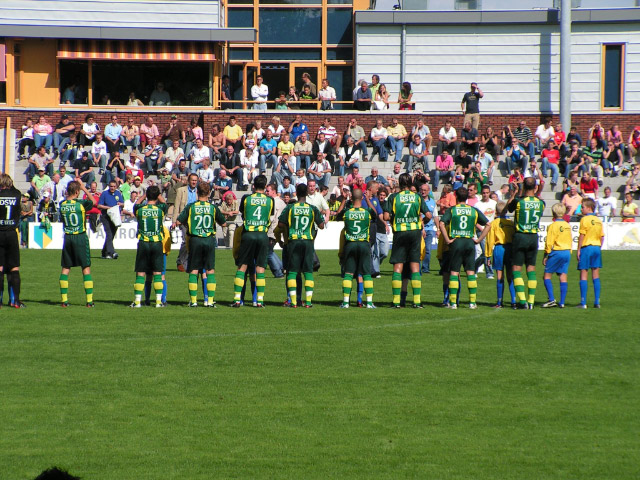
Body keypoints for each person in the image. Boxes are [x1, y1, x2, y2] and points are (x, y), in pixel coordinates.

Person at [172, 181, 226, 307]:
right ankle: (210, 301)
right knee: (210, 270)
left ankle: (194, 301)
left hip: (195, 240)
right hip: (208, 240)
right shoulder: (213, 208)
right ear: (209, 193)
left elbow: (179, 221)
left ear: (197, 192)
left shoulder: (191, 206)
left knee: (194, 270)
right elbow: (223, 223)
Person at [383, 173, 431, 308]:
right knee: (415, 265)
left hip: (400, 232)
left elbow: (386, 216)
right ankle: (416, 302)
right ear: (411, 183)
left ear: (399, 182)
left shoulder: (393, 197)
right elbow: (429, 215)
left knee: (398, 266)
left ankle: (396, 302)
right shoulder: (417, 196)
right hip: (415, 232)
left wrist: (394, 219)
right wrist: (422, 222)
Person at [439, 186, 490, 309]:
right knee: (470, 272)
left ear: (456, 196)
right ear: (467, 197)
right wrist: (478, 239)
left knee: (454, 272)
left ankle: (453, 303)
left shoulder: (452, 210)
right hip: (469, 242)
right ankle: (472, 302)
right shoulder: (473, 210)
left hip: (456, 241)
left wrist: (447, 239)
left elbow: (441, 223)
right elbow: (488, 224)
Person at [278, 183, 325, 308]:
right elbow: (321, 225)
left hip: (294, 241)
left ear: (296, 193)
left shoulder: (290, 208)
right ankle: (308, 302)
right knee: (308, 272)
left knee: (292, 272)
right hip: (308, 241)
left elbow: (280, 225)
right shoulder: (312, 208)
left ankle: (293, 302)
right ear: (307, 194)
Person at [232, 175, 274, 307]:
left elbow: (243, 214)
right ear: (265, 186)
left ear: (254, 186)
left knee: (242, 266)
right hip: (262, 235)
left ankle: (237, 299)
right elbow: (270, 215)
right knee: (260, 268)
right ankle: (259, 301)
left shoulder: (246, 198)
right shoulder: (270, 200)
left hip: (248, 233)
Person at [507, 177, 545, 309]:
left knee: (516, 268)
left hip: (520, 235)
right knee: (531, 268)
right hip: (533, 236)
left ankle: (522, 301)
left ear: (523, 186)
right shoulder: (541, 203)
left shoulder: (519, 201)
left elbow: (509, 208)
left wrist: (516, 193)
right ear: (535, 187)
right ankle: (531, 301)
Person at [335, 188, 376, 308]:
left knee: (348, 273)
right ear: (362, 198)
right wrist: (368, 200)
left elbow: (338, 215)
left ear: (351, 198)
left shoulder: (347, 212)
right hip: (363, 243)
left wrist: (343, 199)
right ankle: (369, 303)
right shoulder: (367, 212)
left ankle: (346, 302)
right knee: (367, 274)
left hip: (350, 244)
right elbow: (375, 214)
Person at [58, 181, 96, 307]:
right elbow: (94, 201)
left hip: (68, 237)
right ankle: (89, 301)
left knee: (65, 268)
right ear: (76, 192)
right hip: (80, 236)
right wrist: (84, 188)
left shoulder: (62, 204)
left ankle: (64, 300)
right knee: (85, 268)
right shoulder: (81, 203)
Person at [130, 185, 167, 307]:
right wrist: (157, 195)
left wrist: (145, 194)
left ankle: (137, 302)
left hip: (143, 243)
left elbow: (137, 203)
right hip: (157, 243)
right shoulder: (161, 209)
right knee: (157, 272)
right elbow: (164, 203)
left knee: (141, 272)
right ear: (157, 196)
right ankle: (158, 302)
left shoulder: (139, 208)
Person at [484, 201, 516, 308]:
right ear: (506, 210)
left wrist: (488, 255)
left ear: (496, 211)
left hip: (499, 249)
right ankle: (513, 301)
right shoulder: (511, 223)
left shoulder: (494, 223)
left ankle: (499, 302)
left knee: (499, 276)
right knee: (510, 276)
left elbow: (490, 240)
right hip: (510, 249)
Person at [0, 174, 25, 308]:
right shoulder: (17, 195)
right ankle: (15, 300)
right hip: (11, 233)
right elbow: (15, 190)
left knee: (0, 267)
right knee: (14, 267)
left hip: (0, 232)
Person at [541, 203, 572, 309]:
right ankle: (562, 302)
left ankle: (551, 299)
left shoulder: (552, 226)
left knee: (546, 276)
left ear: (553, 213)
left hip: (557, 252)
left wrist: (546, 255)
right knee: (563, 276)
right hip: (567, 252)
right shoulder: (567, 225)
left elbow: (549, 242)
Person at [576, 198, 604, 308]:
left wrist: (578, 249)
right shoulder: (598, 220)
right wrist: (598, 247)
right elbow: (602, 237)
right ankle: (597, 302)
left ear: (589, 208)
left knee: (584, 273)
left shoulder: (584, 220)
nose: (581, 209)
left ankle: (583, 302)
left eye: (582, 207)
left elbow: (582, 235)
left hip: (587, 247)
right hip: (597, 247)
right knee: (596, 274)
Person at [474, 184, 497, 279]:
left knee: (486, 252)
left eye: (487, 193)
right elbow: (474, 220)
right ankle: (489, 273)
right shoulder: (477, 205)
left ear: (489, 193)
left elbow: (496, 216)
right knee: (486, 251)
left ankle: (473, 267)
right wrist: (481, 228)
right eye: (483, 193)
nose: (485, 195)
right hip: (482, 230)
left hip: (492, 230)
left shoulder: (494, 203)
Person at [97, 180, 124, 260]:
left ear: (116, 187)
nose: (112, 188)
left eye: (114, 186)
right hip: (106, 216)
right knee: (109, 233)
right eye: (111, 186)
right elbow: (99, 205)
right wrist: (108, 208)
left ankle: (104, 252)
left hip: (115, 217)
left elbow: (122, 203)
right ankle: (111, 252)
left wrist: (120, 204)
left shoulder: (118, 193)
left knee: (111, 235)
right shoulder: (105, 194)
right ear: (109, 186)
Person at [419, 183, 437, 274]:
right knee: (418, 249)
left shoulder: (432, 202)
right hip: (418, 229)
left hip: (429, 228)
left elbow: (436, 216)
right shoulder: (417, 200)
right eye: (422, 190)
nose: (423, 192)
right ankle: (417, 269)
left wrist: (438, 229)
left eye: (425, 190)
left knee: (428, 250)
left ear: (428, 191)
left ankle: (425, 268)